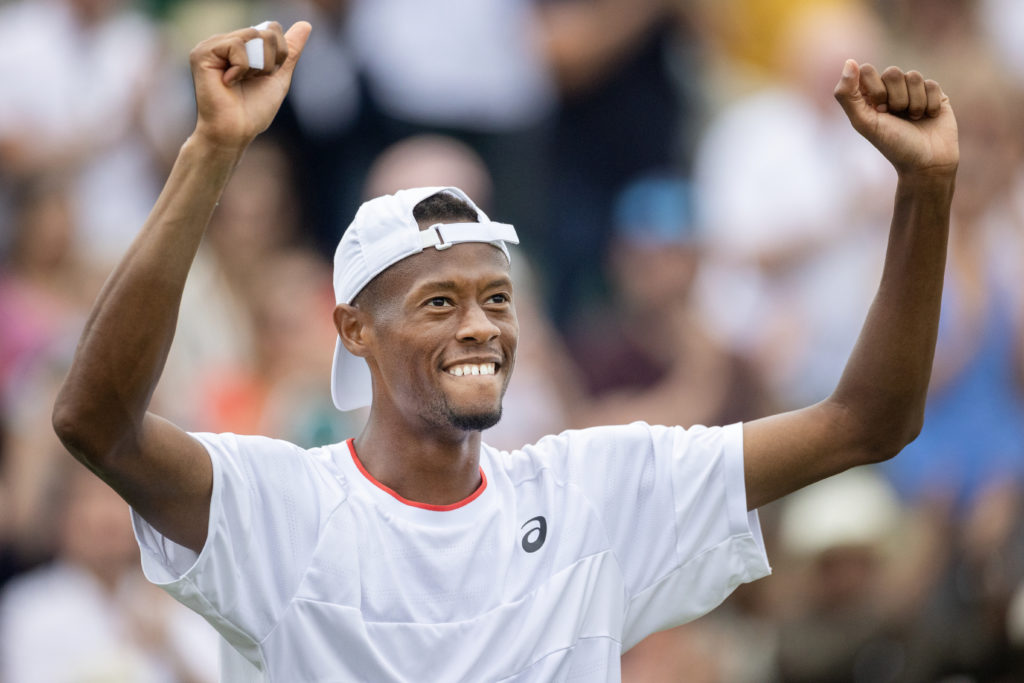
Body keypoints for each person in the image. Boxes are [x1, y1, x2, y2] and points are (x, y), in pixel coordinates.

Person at [51, 20, 958, 682]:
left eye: (496, 298)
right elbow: (95, 422)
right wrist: (212, 151)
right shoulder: (281, 502)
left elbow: (868, 421)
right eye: (439, 301)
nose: (480, 325)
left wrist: (925, 190)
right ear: (354, 331)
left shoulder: (594, 490)